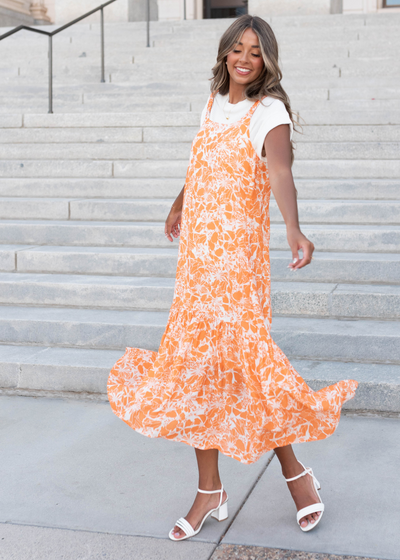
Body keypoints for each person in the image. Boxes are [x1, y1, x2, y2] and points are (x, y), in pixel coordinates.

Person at [107, 14, 358, 541]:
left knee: (249, 367)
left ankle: (295, 474)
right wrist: (178, 204)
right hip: (198, 261)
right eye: (237, 48)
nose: (244, 58)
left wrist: (294, 227)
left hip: (238, 264)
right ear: (225, 53)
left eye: (255, 51)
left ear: (267, 60)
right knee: (196, 366)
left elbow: (281, 173)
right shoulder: (213, 103)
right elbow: (199, 166)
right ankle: (209, 489)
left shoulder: (271, 113)